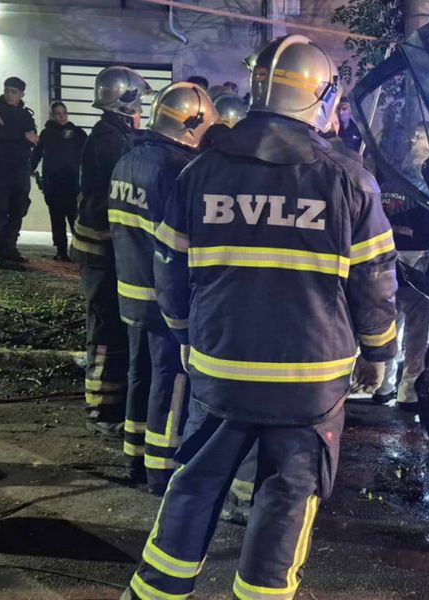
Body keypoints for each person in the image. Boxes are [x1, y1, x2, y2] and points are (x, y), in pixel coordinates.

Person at [126, 34, 397, 600]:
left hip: (221, 367)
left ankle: (154, 594)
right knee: (288, 494)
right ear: (320, 96)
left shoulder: (198, 172)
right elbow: (375, 284)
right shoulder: (348, 179)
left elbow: (169, 272)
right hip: (309, 384)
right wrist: (380, 354)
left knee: (195, 483)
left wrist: (184, 337)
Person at [109, 82, 218, 490]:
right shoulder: (177, 169)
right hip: (161, 295)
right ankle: (160, 468)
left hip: (129, 288)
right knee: (171, 379)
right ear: (192, 124)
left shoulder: (129, 159)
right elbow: (179, 244)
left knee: (139, 372)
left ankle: (133, 454)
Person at [71, 66, 153, 437]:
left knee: (110, 326)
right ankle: (102, 410)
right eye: (138, 103)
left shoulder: (111, 134)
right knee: (104, 328)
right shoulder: (110, 141)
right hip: (101, 251)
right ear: (126, 101)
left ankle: (109, 404)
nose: (141, 111)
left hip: (101, 249)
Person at [0, 76, 38, 268]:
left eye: (13, 91)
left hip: (21, 167)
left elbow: (33, 138)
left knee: (19, 207)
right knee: (0, 207)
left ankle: (11, 247)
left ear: (22, 93)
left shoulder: (25, 114)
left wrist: (17, 134)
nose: (9, 94)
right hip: (1, 167)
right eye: (7, 90)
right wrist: (21, 135)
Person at [30, 101, 87, 261]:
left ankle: (79, 251)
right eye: (57, 113)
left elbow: (90, 154)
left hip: (72, 183)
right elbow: (36, 155)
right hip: (53, 183)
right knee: (57, 218)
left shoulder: (78, 133)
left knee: (74, 218)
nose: (61, 116)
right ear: (52, 115)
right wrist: (27, 170)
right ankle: (61, 250)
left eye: (64, 113)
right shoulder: (47, 134)